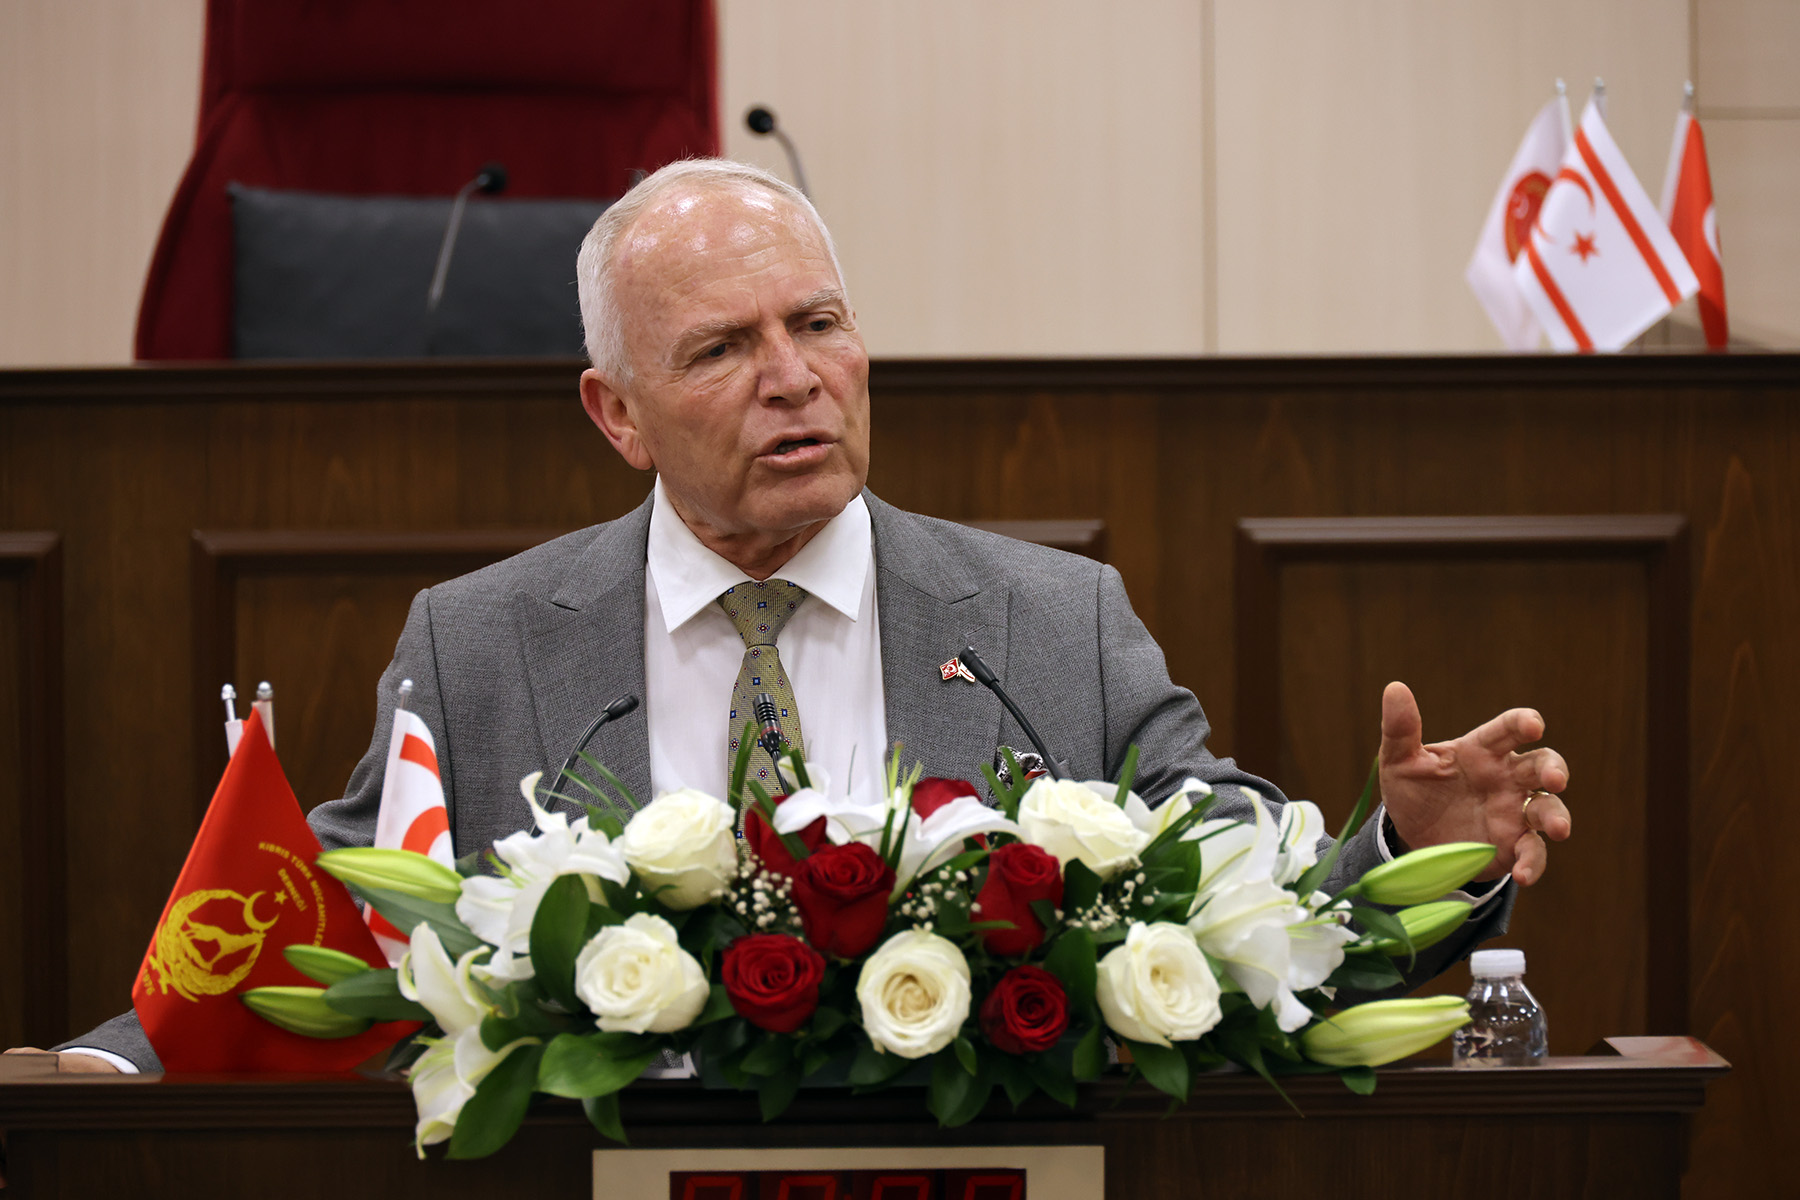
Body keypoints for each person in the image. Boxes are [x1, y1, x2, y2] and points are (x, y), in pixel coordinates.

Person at [24, 159, 1571, 1073]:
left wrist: (1411, 851)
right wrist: (105, 1071)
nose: (794, 379)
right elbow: (315, 936)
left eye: (819, 324)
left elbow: (1243, 891)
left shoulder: (1049, 623)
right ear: (615, 413)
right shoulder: (479, 644)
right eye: (721, 351)